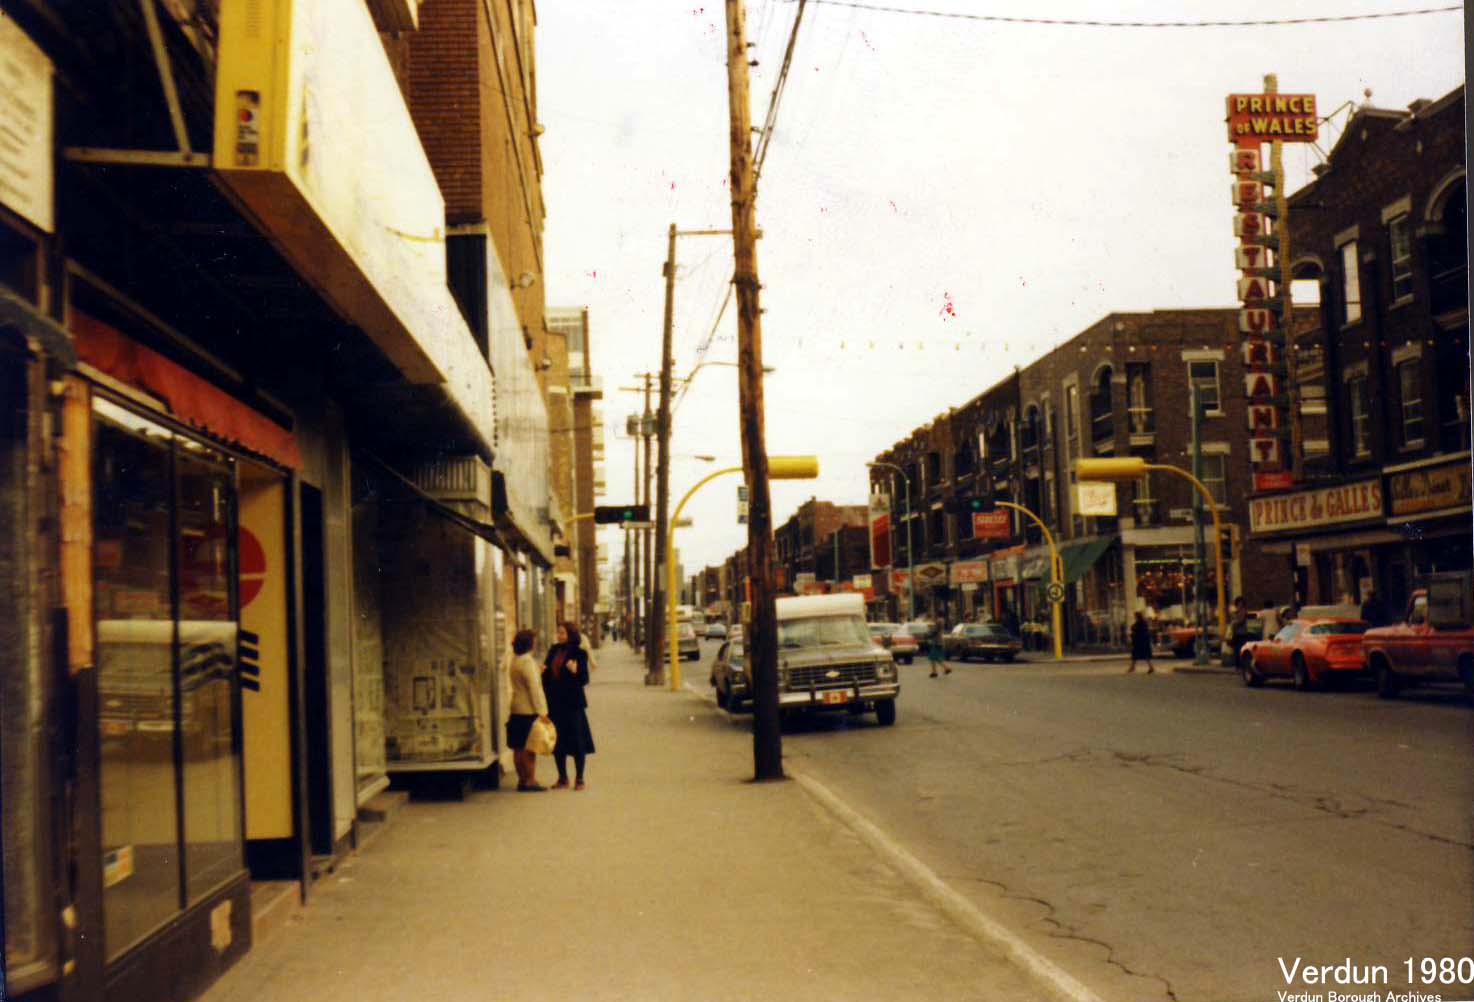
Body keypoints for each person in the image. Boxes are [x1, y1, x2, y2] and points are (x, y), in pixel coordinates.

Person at [542, 621, 596, 790]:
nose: (559, 636)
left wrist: (575, 671)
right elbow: (548, 677)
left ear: (571, 635)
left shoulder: (579, 653)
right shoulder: (553, 650)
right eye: (558, 633)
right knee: (558, 741)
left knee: (577, 740)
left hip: (573, 704)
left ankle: (579, 778)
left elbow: (584, 679)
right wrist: (543, 673)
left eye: (563, 633)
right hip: (555, 703)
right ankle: (562, 778)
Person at [505, 629, 551, 792]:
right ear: (529, 644)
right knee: (530, 748)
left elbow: (523, 681)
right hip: (528, 710)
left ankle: (522, 780)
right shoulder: (528, 662)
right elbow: (534, 689)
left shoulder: (515, 660)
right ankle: (531, 780)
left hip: (516, 708)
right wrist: (542, 711)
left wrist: (537, 673)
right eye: (534, 641)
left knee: (518, 747)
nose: (536, 643)